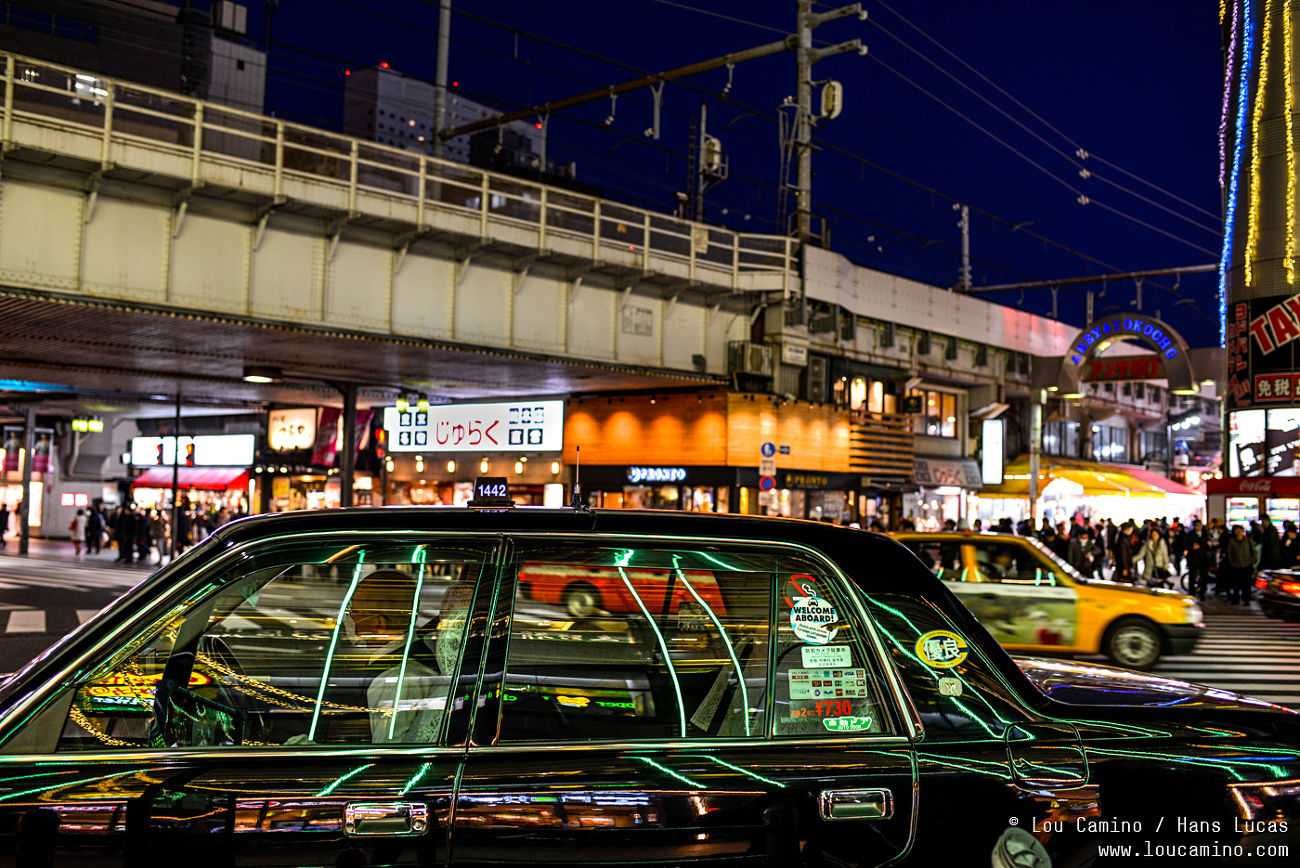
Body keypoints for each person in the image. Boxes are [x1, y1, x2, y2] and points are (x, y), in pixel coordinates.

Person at [1223, 524, 1258, 605]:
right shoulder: (1232, 541)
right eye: (1237, 531)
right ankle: (1236, 599)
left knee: (1246, 584)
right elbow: (1230, 553)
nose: (1239, 532)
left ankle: (1246, 599)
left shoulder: (1248, 540)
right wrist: (1232, 562)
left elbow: (1253, 551)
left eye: (1240, 531)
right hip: (1236, 566)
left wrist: (1252, 561)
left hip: (1247, 565)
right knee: (1236, 584)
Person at [1184, 519, 1213, 601]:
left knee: (1204, 577)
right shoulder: (1190, 535)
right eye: (1196, 525)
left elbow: (1209, 546)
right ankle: (1192, 593)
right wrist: (1191, 548)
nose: (1198, 527)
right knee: (1192, 577)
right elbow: (1185, 546)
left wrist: (1209, 545)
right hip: (1193, 559)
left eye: (1200, 525)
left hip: (1204, 559)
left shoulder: (1205, 534)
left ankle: (1202, 593)